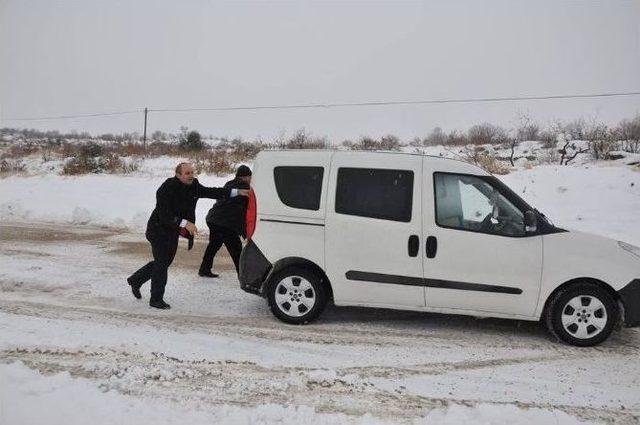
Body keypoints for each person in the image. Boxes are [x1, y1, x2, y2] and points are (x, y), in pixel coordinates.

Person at [127, 162, 249, 309]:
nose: (191, 175)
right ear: (178, 175)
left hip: (172, 231)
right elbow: (164, 215)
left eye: (192, 172)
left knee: (164, 262)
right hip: (157, 230)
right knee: (161, 263)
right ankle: (156, 299)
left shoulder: (193, 186)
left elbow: (210, 192)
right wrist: (185, 223)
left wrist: (236, 192)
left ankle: (136, 280)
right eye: (187, 173)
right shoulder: (166, 189)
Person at [199, 165, 252, 278]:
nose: (251, 179)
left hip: (213, 218)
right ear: (246, 177)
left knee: (214, 244)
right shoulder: (245, 187)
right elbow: (244, 209)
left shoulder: (230, 184)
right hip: (225, 223)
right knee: (236, 249)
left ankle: (204, 269)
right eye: (249, 176)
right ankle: (243, 276)